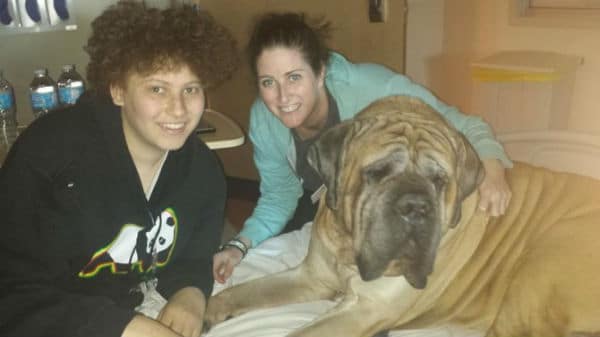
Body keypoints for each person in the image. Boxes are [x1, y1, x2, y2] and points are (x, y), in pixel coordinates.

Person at [213, 12, 512, 284]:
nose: (282, 96)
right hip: (326, 202)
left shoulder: (376, 89)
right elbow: (280, 195)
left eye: (294, 77)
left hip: (394, 205)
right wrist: (240, 245)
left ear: (320, 73)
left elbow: (464, 126)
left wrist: (492, 166)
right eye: (268, 82)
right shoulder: (264, 121)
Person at [0, 2, 237, 337]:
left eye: (191, 89)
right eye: (157, 88)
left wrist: (190, 292)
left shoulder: (202, 171)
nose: (179, 109)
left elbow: (194, 254)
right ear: (118, 90)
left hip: (132, 306)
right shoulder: (48, 156)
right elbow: (11, 291)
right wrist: (119, 327)